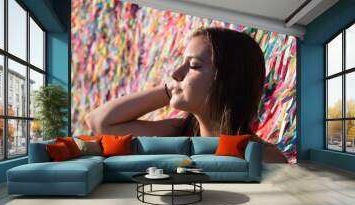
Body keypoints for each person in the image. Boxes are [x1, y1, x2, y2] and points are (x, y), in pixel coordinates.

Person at [86, 27, 287, 163]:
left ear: (227, 79)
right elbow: (99, 123)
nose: (175, 74)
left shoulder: (266, 157)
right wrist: (172, 88)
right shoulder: (179, 131)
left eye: (193, 65)